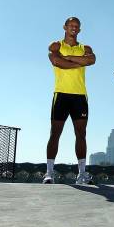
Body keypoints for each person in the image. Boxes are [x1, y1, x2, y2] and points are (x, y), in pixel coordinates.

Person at [44, 17, 96, 185]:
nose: (74, 28)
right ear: (65, 27)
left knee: (81, 134)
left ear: (79, 30)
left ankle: (81, 174)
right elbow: (57, 62)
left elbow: (91, 60)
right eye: (71, 25)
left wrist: (68, 59)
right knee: (55, 133)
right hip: (61, 94)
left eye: (77, 26)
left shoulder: (85, 48)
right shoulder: (56, 46)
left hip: (80, 96)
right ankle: (49, 173)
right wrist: (79, 62)